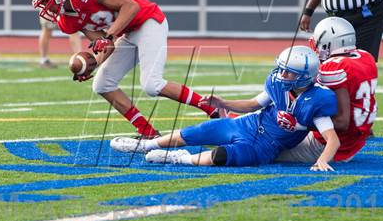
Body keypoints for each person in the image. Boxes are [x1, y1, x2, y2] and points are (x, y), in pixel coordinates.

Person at [28, 0, 220, 139]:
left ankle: (213, 109)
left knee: (151, 84)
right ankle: (147, 131)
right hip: (127, 33)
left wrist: (109, 36)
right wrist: (92, 64)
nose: (48, 9)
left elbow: (130, 6)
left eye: (47, 2)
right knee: (102, 84)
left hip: (147, 20)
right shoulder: (67, 21)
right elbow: (105, 44)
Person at [110, 46, 340, 171]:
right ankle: (145, 145)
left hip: (265, 147)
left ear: (303, 77)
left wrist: (323, 160)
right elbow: (253, 104)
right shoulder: (278, 85)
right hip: (247, 125)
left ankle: (178, 158)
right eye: (281, 69)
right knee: (199, 131)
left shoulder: (317, 100)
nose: (282, 75)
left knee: (220, 157)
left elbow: (332, 139)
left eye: (288, 71)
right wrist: (224, 104)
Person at [276, 17, 377, 163]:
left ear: (329, 43)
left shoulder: (333, 68)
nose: (315, 46)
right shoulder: (365, 57)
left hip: (331, 144)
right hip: (354, 140)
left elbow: (342, 122)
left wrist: (299, 124)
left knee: (267, 149)